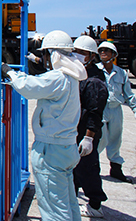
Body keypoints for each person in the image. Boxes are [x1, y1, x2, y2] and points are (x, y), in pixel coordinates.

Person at [2, 30, 87, 221]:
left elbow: (29, 87)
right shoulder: (72, 77)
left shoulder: (58, 78)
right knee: (68, 202)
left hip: (51, 150)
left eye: (46, 54)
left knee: (54, 209)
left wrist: (10, 73)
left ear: (54, 54)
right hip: (67, 147)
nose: (44, 58)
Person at [72, 35, 108, 218]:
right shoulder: (80, 73)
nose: (78, 55)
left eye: (82, 53)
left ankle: (95, 204)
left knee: (88, 168)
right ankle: (74, 197)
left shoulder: (94, 80)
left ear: (91, 56)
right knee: (75, 167)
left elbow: (95, 112)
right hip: (76, 129)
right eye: (75, 51)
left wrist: (88, 138)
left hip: (87, 131)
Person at [97, 41, 136, 183]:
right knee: (100, 139)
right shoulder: (95, 71)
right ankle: (90, 168)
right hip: (100, 109)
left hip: (115, 110)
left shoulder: (121, 73)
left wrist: (135, 108)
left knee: (115, 138)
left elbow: (128, 94)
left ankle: (116, 168)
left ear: (113, 55)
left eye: (107, 50)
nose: (103, 53)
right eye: (101, 50)